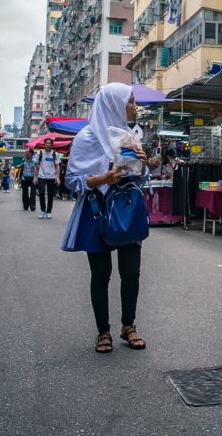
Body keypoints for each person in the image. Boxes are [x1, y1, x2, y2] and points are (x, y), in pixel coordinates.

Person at [61, 83, 148, 354]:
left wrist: (143, 165)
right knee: (101, 274)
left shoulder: (130, 136)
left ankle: (128, 325)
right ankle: (103, 331)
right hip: (95, 210)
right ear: (113, 104)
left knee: (131, 272)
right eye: (130, 101)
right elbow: (72, 180)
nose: (134, 106)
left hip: (126, 209)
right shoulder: (86, 137)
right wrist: (103, 178)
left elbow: (139, 178)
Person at [36, 139, 61, 219]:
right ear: (44, 144)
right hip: (41, 176)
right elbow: (36, 165)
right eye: (46, 143)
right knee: (41, 193)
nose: (48, 144)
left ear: (51, 145)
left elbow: (57, 166)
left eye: (49, 143)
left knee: (51, 195)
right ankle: (43, 210)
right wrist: (35, 177)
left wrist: (58, 177)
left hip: (51, 176)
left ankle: (49, 211)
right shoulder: (39, 153)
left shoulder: (54, 154)